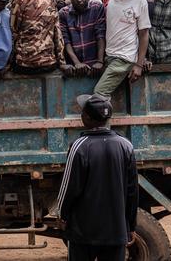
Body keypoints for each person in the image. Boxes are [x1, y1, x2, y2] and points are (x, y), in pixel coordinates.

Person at [57, 94, 138, 261]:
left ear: (86, 117)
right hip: (116, 231)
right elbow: (132, 191)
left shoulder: (80, 146)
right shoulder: (125, 145)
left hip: (83, 231)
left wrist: (62, 215)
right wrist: (131, 225)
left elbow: (69, 188)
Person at [94, 0, 150, 98]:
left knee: (99, 93)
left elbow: (144, 34)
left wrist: (139, 65)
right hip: (109, 55)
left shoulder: (140, 2)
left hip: (125, 58)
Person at [10, 0, 70, 75]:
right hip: (49, 64)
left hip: (24, 64)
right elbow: (57, 32)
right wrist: (62, 62)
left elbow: (12, 29)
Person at [59, 0, 106, 77]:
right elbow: (65, 40)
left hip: (95, 63)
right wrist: (77, 63)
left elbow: (100, 34)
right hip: (74, 65)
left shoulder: (97, 8)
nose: (79, 0)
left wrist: (100, 61)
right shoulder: (63, 13)